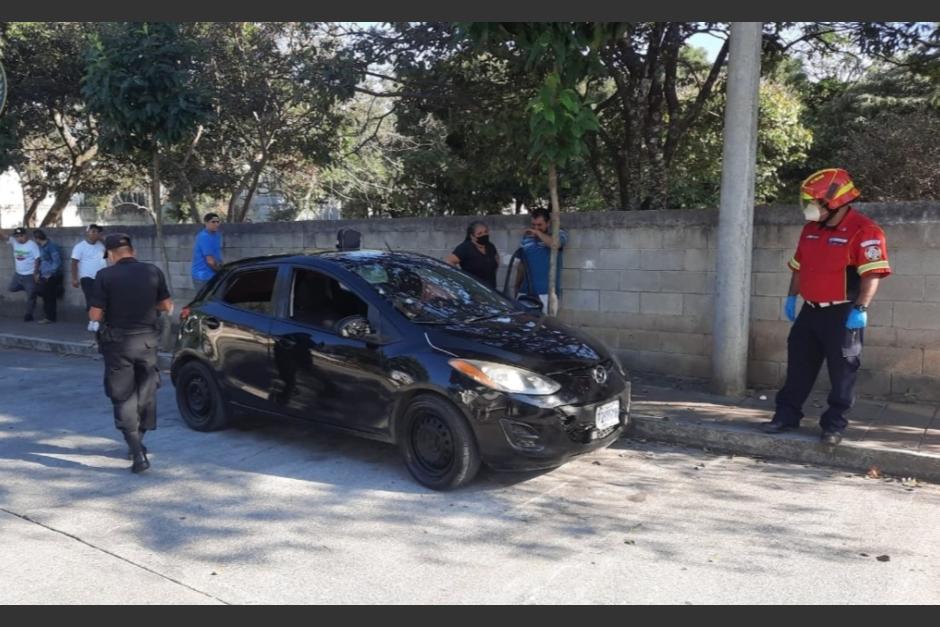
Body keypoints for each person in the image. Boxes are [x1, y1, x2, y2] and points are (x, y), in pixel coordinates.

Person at [762, 168, 891, 446]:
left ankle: (834, 425)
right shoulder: (810, 229)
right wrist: (791, 298)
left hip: (843, 313)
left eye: (814, 202)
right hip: (810, 311)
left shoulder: (865, 231)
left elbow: (872, 275)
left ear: (833, 202)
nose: (809, 209)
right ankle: (786, 415)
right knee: (798, 366)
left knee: (843, 373)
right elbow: (798, 268)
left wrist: (861, 309)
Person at [89, 233, 173, 473]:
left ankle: (137, 453)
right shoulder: (152, 271)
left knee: (123, 396)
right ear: (132, 251)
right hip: (147, 342)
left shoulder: (105, 276)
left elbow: (95, 314)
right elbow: (166, 306)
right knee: (145, 392)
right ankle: (139, 441)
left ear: (112, 254)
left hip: (118, 345)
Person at [514, 208, 568, 311]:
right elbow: (521, 265)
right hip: (525, 291)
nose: (535, 228)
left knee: (544, 324)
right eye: (533, 225)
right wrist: (517, 286)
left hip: (546, 294)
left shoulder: (558, 234)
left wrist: (537, 233)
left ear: (548, 223)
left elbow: (555, 244)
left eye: (539, 225)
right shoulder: (527, 238)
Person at [0, 227, 41, 321]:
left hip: (29, 275)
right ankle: (31, 289)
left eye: (21, 236)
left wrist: (35, 273)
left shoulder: (32, 245)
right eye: (17, 236)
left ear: (25, 235)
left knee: (30, 297)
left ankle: (28, 315)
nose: (19, 238)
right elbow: (3, 236)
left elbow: (37, 259)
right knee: (11, 288)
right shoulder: (14, 242)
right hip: (18, 274)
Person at [446, 220, 499, 288]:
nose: (484, 235)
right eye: (479, 233)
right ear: (472, 236)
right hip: (473, 290)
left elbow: (496, 258)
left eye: (486, 232)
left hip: (490, 290)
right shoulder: (465, 248)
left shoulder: (490, 246)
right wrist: (461, 278)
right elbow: (449, 261)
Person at [71, 224, 107, 318]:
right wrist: (74, 278)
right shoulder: (80, 247)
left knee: (102, 298)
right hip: (87, 277)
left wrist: (103, 239)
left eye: (97, 232)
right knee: (91, 299)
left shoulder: (101, 245)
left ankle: (101, 318)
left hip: (101, 277)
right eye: (93, 231)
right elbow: (74, 263)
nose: (96, 234)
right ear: (87, 233)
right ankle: (93, 320)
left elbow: (111, 250)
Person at [32, 229, 64, 324]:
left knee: (49, 297)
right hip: (44, 275)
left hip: (51, 276)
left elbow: (57, 262)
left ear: (38, 238)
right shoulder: (42, 247)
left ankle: (50, 317)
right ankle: (48, 316)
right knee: (45, 296)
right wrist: (38, 273)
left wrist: (50, 274)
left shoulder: (51, 247)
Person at [191, 212, 223, 291]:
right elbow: (210, 261)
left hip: (212, 274)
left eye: (217, 222)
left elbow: (217, 254)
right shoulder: (204, 237)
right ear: (206, 223)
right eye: (213, 222)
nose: (216, 224)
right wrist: (221, 272)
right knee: (204, 302)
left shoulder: (217, 235)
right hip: (203, 277)